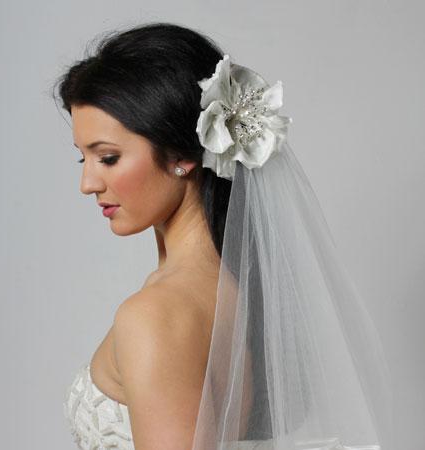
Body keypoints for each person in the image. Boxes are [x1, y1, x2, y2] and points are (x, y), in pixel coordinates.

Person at [55, 22, 393, 450]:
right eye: (82, 159)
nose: (87, 184)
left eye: (107, 157)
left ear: (181, 155)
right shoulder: (238, 293)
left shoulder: (155, 315)